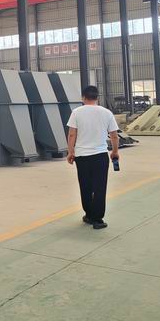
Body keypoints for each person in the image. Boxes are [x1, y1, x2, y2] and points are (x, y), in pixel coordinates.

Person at [66, 85, 119, 230]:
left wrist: (70, 152)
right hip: (100, 156)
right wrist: (115, 152)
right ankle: (98, 220)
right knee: (100, 187)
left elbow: (72, 134)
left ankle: (89, 215)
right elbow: (114, 135)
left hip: (82, 156)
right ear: (97, 98)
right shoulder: (106, 113)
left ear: (83, 97)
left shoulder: (76, 112)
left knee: (85, 186)